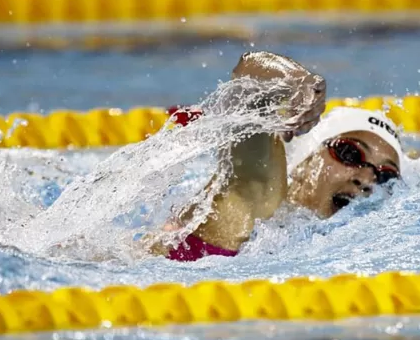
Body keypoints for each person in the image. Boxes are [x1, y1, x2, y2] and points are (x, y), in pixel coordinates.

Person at [143, 51, 402, 261]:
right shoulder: (260, 198)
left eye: (386, 175)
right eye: (349, 153)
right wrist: (297, 80)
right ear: (306, 159)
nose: (368, 178)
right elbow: (247, 81)